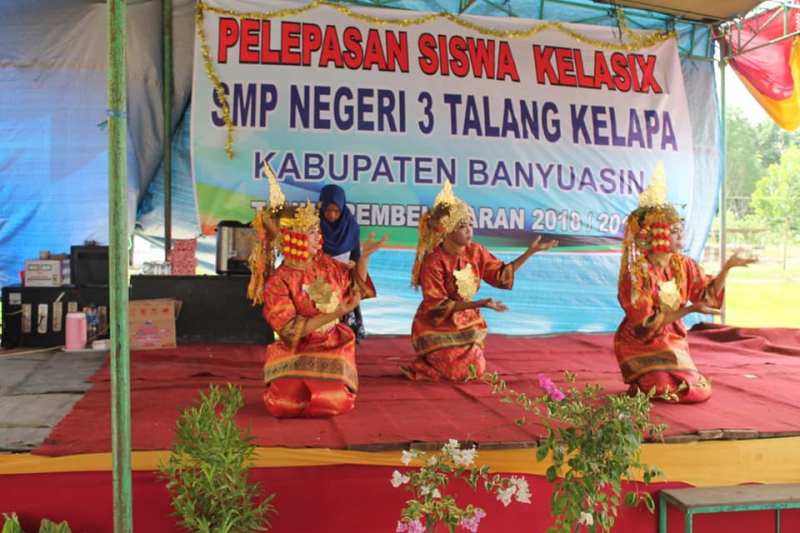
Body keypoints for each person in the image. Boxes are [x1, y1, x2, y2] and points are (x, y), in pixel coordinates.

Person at [248, 166, 388, 417]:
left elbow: (354, 286)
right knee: (284, 404)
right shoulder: (279, 281)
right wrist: (334, 313)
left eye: (316, 231)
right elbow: (289, 328)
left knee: (335, 401)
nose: (318, 236)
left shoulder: (326, 264)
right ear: (292, 237)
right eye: (311, 232)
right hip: (297, 348)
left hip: (332, 343)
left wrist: (364, 259)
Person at [614, 161, 756, 403]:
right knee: (666, 389)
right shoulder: (638, 275)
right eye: (673, 231)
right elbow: (644, 324)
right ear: (656, 235)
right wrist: (689, 310)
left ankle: (652, 381)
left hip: (672, 339)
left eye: (681, 230)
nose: (681, 236)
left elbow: (706, 295)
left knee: (696, 390)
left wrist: (726, 269)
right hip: (640, 343)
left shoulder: (683, 265)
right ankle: (641, 381)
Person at [402, 181, 558, 381]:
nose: (469, 231)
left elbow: (500, 275)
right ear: (447, 229)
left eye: (470, 225)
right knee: (453, 371)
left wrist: (529, 253)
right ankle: (425, 366)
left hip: (468, 322)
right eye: (462, 226)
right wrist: (480, 303)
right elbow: (436, 305)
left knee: (475, 370)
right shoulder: (434, 262)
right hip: (437, 324)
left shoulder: (476, 251)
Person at [318, 184, 366, 342]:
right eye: (328, 210)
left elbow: (355, 251)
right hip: (321, 276)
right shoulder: (315, 225)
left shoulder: (350, 225)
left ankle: (345, 336)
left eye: (336, 211)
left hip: (343, 277)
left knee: (344, 306)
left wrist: (353, 262)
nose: (332, 215)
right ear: (322, 206)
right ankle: (324, 337)